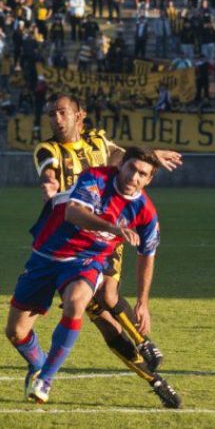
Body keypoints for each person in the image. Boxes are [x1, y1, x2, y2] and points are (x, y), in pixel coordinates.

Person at [30, 95, 182, 408]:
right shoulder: (49, 149)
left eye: (62, 113)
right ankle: (154, 379)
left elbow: (125, 158)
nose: (56, 119)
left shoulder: (98, 141)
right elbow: (48, 171)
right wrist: (48, 185)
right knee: (102, 319)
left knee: (108, 296)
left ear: (79, 115)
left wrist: (153, 156)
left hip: (106, 236)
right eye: (51, 114)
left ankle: (144, 343)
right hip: (69, 241)